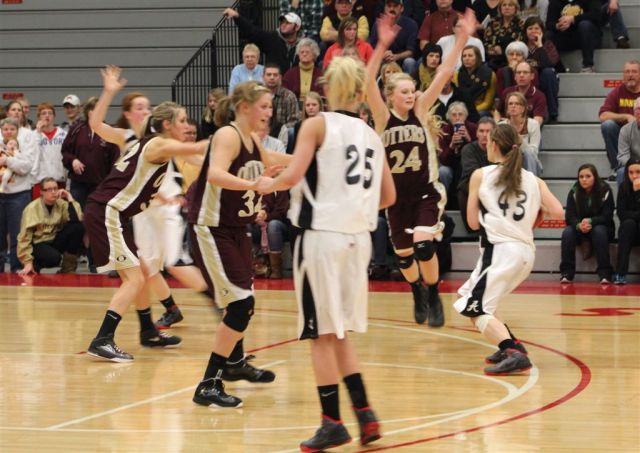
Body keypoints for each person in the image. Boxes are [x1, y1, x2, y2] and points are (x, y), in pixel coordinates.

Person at [255, 55, 396, 453]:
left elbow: (294, 175)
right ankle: (365, 414)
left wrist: (267, 184)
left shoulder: (316, 124)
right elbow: (388, 196)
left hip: (321, 238)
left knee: (319, 334)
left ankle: (331, 422)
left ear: (331, 87)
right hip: (358, 241)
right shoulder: (371, 134)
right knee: (337, 332)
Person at [84, 66, 208, 362]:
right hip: (115, 210)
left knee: (143, 272)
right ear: (129, 113)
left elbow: (196, 158)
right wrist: (109, 92)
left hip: (127, 211)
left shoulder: (152, 142)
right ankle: (103, 339)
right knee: (137, 277)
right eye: (138, 107)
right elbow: (95, 123)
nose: (144, 110)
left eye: (147, 106)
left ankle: (147, 330)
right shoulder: (134, 139)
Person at [366, 10, 477, 327]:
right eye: (404, 91)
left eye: (412, 89)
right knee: (403, 256)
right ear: (390, 96)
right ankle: (417, 289)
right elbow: (367, 81)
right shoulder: (383, 118)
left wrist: (461, 40)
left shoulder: (421, 109)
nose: (411, 94)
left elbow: (444, 72)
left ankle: (434, 293)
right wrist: (381, 44)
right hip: (396, 199)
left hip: (426, 193)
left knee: (425, 245)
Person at [189, 80, 291, 408]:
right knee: (239, 305)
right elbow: (215, 174)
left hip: (235, 229)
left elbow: (271, 159)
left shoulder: (251, 139)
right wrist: (253, 184)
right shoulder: (228, 135)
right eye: (264, 106)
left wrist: (309, 157)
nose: (269, 112)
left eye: (270, 106)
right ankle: (208, 384)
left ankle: (234, 363)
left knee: (244, 301)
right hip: (212, 227)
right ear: (245, 107)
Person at [454, 123, 564, 375]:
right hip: (525, 252)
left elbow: (472, 223)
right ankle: (510, 346)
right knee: (468, 296)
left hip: (500, 252)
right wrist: (532, 219)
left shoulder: (481, 175)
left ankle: (513, 352)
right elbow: (558, 212)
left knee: (475, 308)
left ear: (493, 145)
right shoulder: (534, 180)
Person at [61, 97, 121, 209]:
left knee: (96, 215)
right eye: (94, 110)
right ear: (88, 112)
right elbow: (65, 152)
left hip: (100, 185)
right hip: (78, 184)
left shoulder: (109, 132)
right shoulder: (76, 129)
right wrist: (73, 160)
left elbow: (116, 160)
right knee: (77, 215)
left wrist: (110, 184)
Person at [559, 163, 615, 283]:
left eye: (588, 176)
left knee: (598, 231)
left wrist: (591, 221)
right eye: (581, 177)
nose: (584, 179)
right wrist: (578, 225)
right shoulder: (574, 191)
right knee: (567, 233)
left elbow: (607, 216)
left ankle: (605, 274)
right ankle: (567, 273)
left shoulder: (605, 190)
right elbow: (570, 216)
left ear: (595, 177)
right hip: (580, 228)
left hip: (602, 227)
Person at [17, 178, 84, 275]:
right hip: (38, 244)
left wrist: (69, 198)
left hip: (54, 240)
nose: (53, 192)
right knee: (53, 258)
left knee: (77, 228)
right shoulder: (32, 208)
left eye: (55, 188)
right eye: (49, 189)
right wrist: (27, 261)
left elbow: (77, 220)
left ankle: (68, 269)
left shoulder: (61, 204)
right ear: (41, 192)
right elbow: (24, 237)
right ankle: (34, 265)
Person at [0, 116, 37, 272]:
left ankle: (17, 267)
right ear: (1, 131)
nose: (8, 132)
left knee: (18, 234)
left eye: (12, 129)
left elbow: (26, 167)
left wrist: (7, 161)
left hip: (19, 194)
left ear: (17, 130)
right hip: (1, 195)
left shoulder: (23, 146)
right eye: (5, 129)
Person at [224, 8, 302, 73]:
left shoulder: (303, 45)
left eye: (288, 23)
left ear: (297, 27)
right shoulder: (272, 38)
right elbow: (251, 31)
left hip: (295, 84)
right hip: (273, 84)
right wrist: (237, 17)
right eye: (282, 22)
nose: (283, 24)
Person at [599, 61, 640, 180]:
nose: (630, 75)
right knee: (608, 125)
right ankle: (618, 168)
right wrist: (626, 116)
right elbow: (603, 115)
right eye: (627, 72)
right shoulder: (617, 92)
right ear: (623, 75)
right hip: (624, 137)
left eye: (634, 71)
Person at [457, 117, 495, 231]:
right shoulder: (468, 149)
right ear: (476, 133)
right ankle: (473, 228)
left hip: (494, 185)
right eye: (481, 131)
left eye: (488, 131)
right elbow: (472, 173)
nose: (484, 135)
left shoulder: (499, 149)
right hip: (473, 185)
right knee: (463, 192)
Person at [544, 0, 601, 73]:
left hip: (589, 37)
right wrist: (558, 26)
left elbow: (596, 15)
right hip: (567, 37)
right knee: (548, 35)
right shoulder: (555, 2)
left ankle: (588, 65)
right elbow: (549, 23)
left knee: (584, 25)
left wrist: (573, 19)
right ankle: (557, 68)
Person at [523, 16, 561, 122]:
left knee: (548, 72)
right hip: (526, 79)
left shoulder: (548, 45)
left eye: (536, 28)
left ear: (542, 31)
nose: (533, 31)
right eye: (530, 28)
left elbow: (548, 64)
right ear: (525, 31)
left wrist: (540, 46)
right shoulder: (521, 46)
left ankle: (552, 113)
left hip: (544, 80)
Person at [369, 0, 419, 74]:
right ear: (385, 8)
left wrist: (395, 56)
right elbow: (372, 48)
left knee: (410, 62)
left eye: (395, 6)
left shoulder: (411, 24)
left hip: (401, 60)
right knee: (374, 60)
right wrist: (382, 54)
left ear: (401, 8)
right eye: (389, 6)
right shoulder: (378, 24)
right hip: (383, 59)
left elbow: (411, 52)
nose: (392, 9)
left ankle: (408, 81)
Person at [499, 91, 543, 175]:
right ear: (507, 108)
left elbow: (533, 153)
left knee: (528, 153)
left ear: (523, 109)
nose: (513, 106)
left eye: (517, 104)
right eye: (510, 104)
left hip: (530, 163)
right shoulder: (501, 126)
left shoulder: (533, 124)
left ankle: (530, 181)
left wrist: (522, 143)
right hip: (509, 162)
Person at [438, 101, 478, 194]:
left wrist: (468, 139)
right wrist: (451, 146)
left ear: (465, 116)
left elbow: (478, 153)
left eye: (460, 114)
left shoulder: (473, 128)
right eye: (454, 115)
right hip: (451, 164)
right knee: (443, 171)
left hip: (469, 165)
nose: (457, 118)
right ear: (449, 117)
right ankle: (445, 199)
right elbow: (443, 160)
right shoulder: (444, 131)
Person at [613, 158, 640, 284]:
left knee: (630, 221)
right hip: (630, 231)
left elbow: (627, 213)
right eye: (631, 172)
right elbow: (621, 214)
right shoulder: (624, 187)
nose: (634, 176)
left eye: (638, 172)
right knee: (628, 224)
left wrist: (638, 193)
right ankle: (621, 273)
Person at [496, 61, 547, 125]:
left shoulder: (539, 96)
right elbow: (497, 111)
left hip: (528, 129)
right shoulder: (507, 92)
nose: (521, 75)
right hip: (508, 129)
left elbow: (537, 122)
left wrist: (519, 126)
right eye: (518, 72)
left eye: (525, 72)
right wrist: (498, 123)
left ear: (532, 76)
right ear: (515, 76)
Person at [31, 103, 68, 191]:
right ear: (39, 117)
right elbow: (32, 156)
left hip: (59, 180)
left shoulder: (63, 134)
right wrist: (38, 133)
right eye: (44, 113)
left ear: (54, 116)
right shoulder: (32, 135)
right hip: (39, 182)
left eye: (50, 113)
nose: (47, 115)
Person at [453, 44, 496, 116]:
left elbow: (488, 103)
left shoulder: (489, 74)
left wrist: (469, 111)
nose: (466, 58)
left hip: (480, 110)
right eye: (464, 56)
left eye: (470, 56)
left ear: (477, 58)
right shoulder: (456, 75)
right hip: (461, 110)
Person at [483, 0, 524, 70]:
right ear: (500, 8)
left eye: (510, 5)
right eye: (504, 5)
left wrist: (503, 50)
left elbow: (521, 45)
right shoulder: (493, 22)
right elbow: (485, 43)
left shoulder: (520, 24)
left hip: (514, 59)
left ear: (515, 8)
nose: (507, 7)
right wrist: (494, 48)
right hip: (493, 60)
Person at [263, 63, 300, 138]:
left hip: (282, 133)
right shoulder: (257, 95)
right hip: (261, 131)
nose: (272, 77)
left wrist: (278, 130)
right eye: (269, 75)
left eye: (275, 75)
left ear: (280, 77)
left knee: (291, 131)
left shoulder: (289, 96)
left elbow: (294, 121)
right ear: (263, 77)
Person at [282, 38, 324, 103]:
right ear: (298, 55)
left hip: (314, 106)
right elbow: (284, 94)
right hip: (294, 106)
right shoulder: (289, 74)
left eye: (307, 52)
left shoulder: (320, 74)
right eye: (302, 52)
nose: (304, 54)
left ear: (314, 55)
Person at [616, 98, 640, 185]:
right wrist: (635, 166)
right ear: (634, 113)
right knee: (621, 172)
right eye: (638, 109)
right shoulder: (625, 130)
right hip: (633, 166)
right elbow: (622, 156)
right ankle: (623, 195)